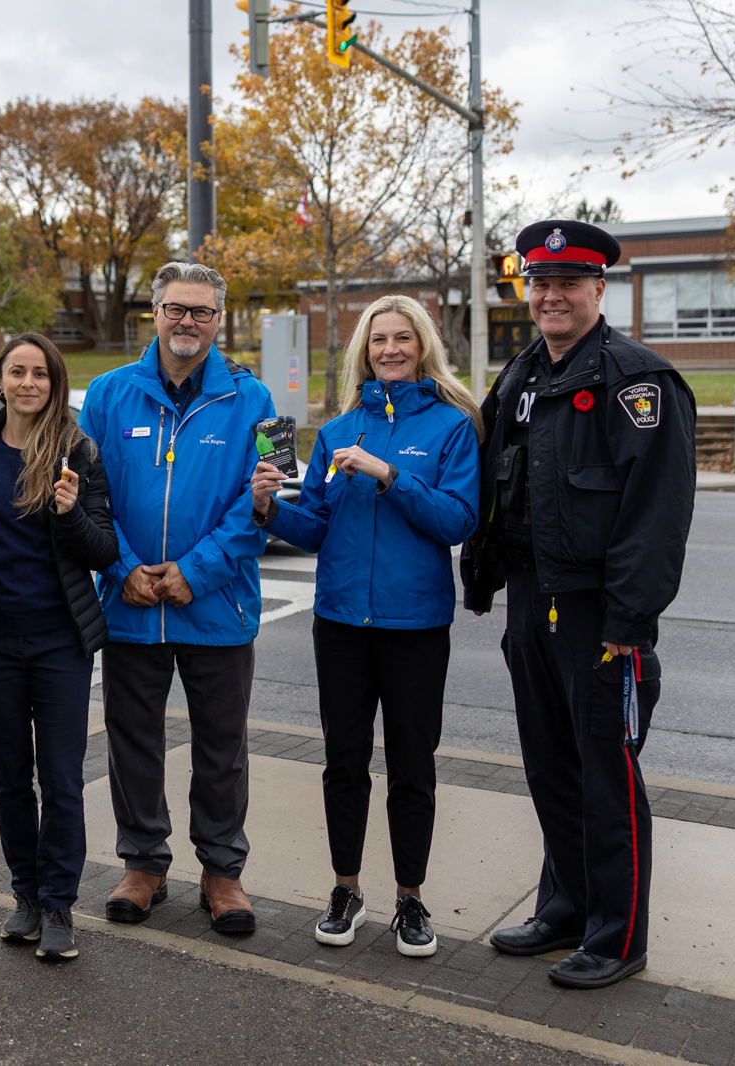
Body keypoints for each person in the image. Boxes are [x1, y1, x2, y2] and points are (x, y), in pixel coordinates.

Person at [462, 220, 696, 990]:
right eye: (539, 283)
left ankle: (616, 936)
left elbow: (655, 514)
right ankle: (563, 908)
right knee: (550, 768)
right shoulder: (522, 374)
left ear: (598, 288)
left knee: (604, 778)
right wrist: (482, 575)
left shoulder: (637, 382)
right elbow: (496, 481)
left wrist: (630, 619)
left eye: (567, 283)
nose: (550, 296)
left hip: (599, 614)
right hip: (532, 600)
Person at [250, 296, 480, 958]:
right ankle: (345, 890)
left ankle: (410, 898)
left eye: (402, 338)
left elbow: (457, 521)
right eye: (378, 339)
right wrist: (268, 509)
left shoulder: (451, 427)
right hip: (341, 622)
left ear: (422, 345)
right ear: (364, 350)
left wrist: (388, 475)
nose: (389, 350)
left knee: (412, 765)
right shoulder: (336, 431)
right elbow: (319, 527)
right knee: (343, 762)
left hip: (415, 624)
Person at [79, 261, 277, 934]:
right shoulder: (106, 394)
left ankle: (222, 872)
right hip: (130, 605)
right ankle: (143, 865)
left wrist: (198, 570)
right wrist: (122, 569)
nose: (187, 321)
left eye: (201, 311)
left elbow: (267, 502)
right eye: (175, 309)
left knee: (221, 749)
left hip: (218, 607)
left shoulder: (258, 399)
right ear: (155, 313)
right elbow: (90, 496)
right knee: (132, 743)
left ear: (218, 320)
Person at [0, 332, 118, 962]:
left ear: (54, 382)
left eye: (39, 373)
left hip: (59, 639)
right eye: (16, 371)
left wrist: (70, 514)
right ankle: (25, 896)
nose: (27, 383)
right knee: (11, 778)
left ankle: (59, 904)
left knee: (62, 779)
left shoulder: (78, 450)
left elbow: (105, 550)